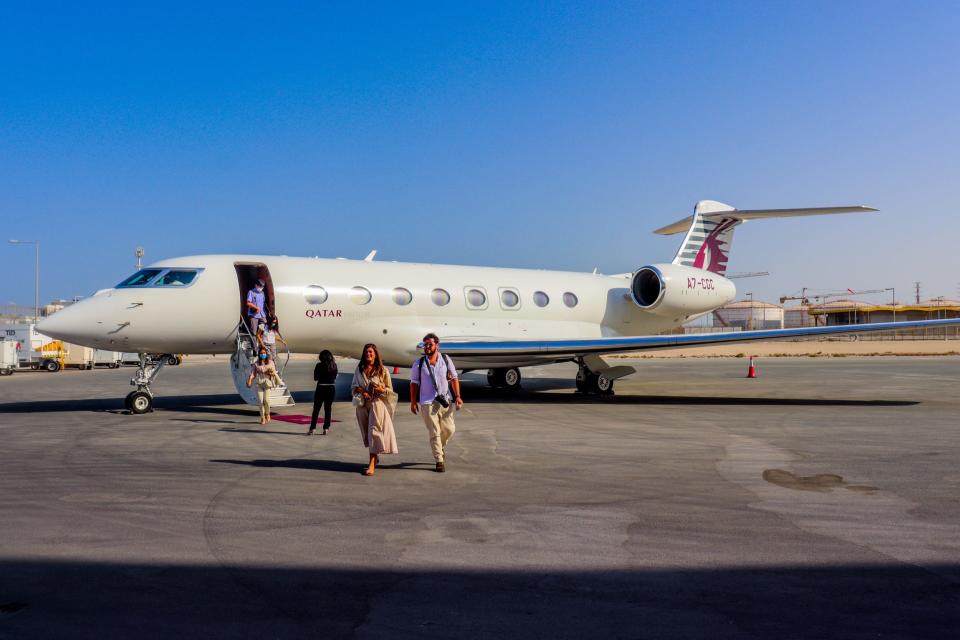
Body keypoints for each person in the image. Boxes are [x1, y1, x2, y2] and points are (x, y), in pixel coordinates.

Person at [410, 333, 463, 473]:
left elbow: (454, 378)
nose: (427, 347)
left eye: (430, 344)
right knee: (434, 432)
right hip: (427, 402)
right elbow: (414, 383)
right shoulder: (419, 363)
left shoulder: (445, 359)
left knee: (450, 429)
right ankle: (439, 460)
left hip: (446, 401)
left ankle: (440, 446)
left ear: (437, 345)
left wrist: (457, 396)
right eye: (425, 345)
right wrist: (413, 401)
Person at [352, 343, 398, 476]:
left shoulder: (383, 370)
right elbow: (353, 386)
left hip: (377, 404)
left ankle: (371, 463)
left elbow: (390, 390)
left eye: (371, 352)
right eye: (366, 352)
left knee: (374, 431)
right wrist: (362, 391)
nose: (368, 354)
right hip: (362, 405)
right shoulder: (359, 369)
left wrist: (381, 389)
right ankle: (375, 456)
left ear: (375, 354)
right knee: (367, 433)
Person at [246, 347, 282, 425]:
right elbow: (253, 374)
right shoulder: (256, 363)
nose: (263, 354)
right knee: (260, 401)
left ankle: (267, 413)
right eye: (261, 353)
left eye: (264, 353)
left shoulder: (270, 362)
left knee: (266, 401)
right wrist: (250, 380)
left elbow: (273, 370)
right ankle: (262, 418)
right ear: (259, 354)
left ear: (266, 354)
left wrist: (268, 371)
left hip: (267, 383)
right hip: (259, 383)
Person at [310, 350, 338, 435]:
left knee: (316, 409)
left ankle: (313, 428)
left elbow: (315, 378)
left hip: (321, 387)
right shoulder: (334, 365)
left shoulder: (319, 365)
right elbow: (335, 376)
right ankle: (326, 427)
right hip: (331, 388)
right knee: (328, 409)